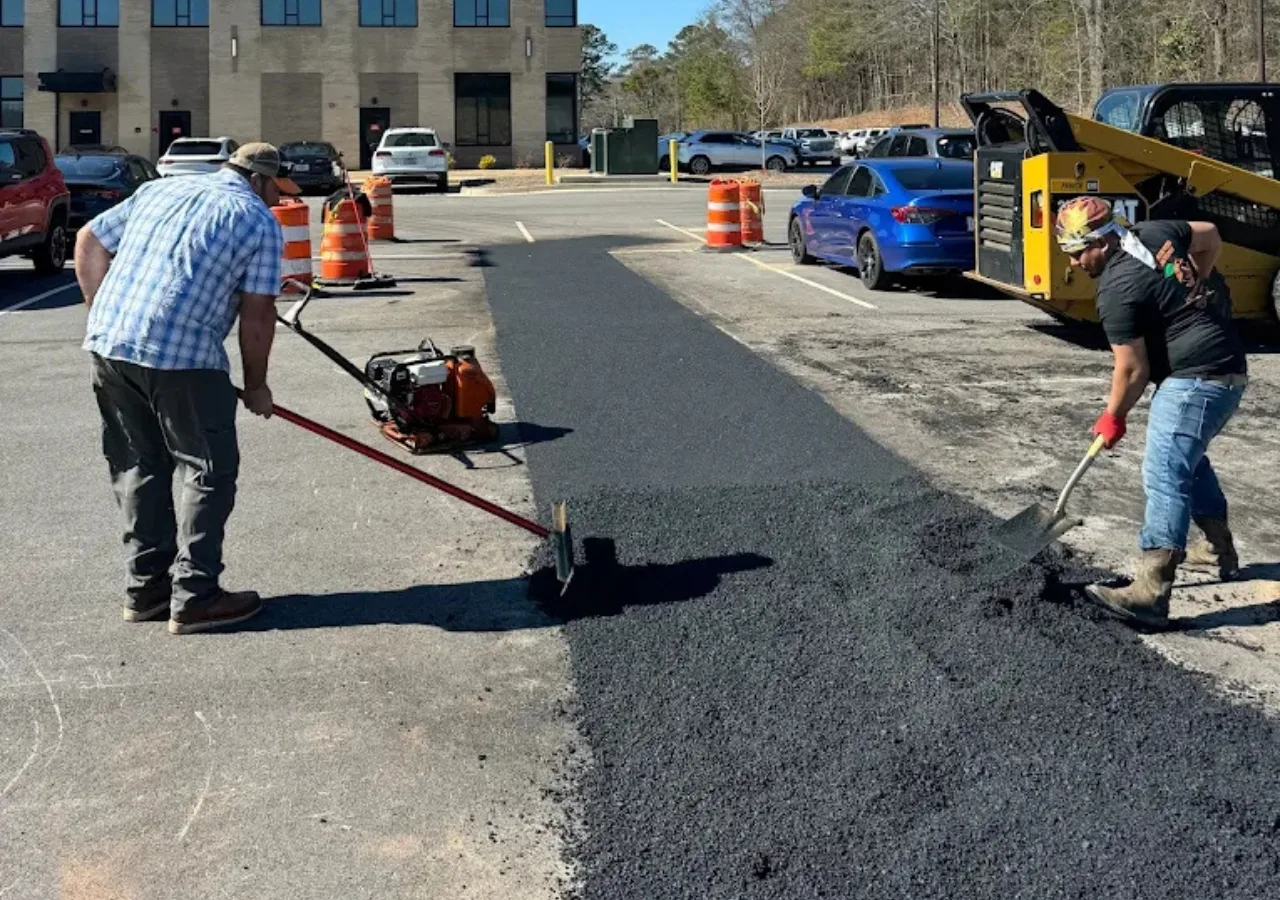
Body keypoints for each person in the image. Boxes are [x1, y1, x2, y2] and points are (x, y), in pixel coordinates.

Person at [76, 142, 300, 635]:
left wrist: (101, 313)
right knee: (209, 469)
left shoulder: (161, 189)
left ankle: (146, 592)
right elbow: (258, 313)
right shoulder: (256, 219)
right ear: (260, 180)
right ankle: (196, 598)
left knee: (139, 464)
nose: (275, 203)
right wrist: (257, 386)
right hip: (183, 357)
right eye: (274, 192)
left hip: (110, 347)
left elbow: (89, 239)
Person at [1054, 196, 1248, 629]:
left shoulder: (1116, 289)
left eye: (1077, 250)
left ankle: (1151, 591)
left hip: (1197, 380)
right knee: (1188, 462)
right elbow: (1211, 236)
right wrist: (1202, 275)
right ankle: (1218, 549)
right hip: (1227, 368)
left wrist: (1113, 416)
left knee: (1164, 471)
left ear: (1101, 242)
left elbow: (1132, 368)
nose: (1074, 261)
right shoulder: (1154, 232)